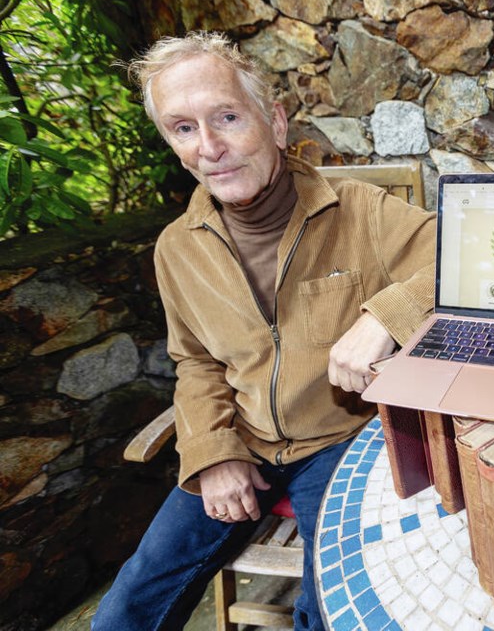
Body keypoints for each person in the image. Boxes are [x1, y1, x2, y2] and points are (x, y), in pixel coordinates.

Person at [92, 32, 436, 630]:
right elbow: (196, 362)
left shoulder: (361, 210)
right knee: (127, 607)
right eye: (183, 128)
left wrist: (386, 315)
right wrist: (210, 453)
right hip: (242, 438)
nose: (210, 147)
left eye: (227, 117)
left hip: (344, 444)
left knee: (331, 612)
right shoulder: (177, 249)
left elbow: (467, 258)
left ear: (274, 122)